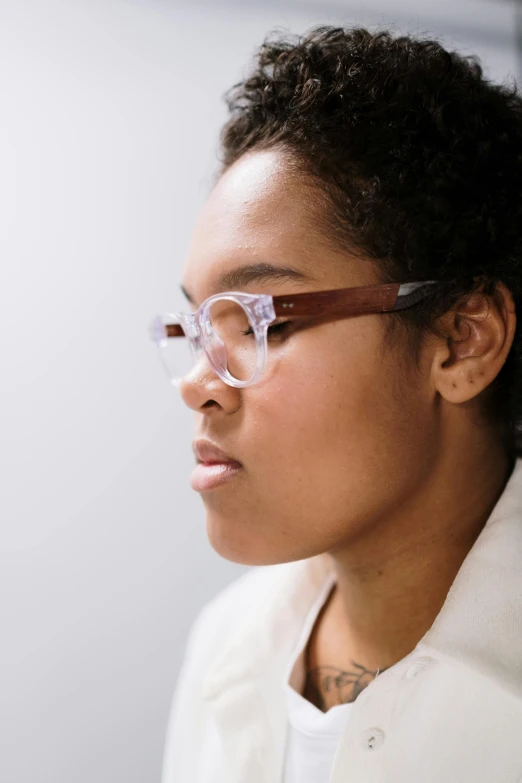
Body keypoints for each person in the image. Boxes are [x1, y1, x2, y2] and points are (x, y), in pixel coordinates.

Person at [154, 24, 522, 783]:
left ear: (461, 341)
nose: (198, 380)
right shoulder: (228, 644)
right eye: (197, 326)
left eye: (270, 321)